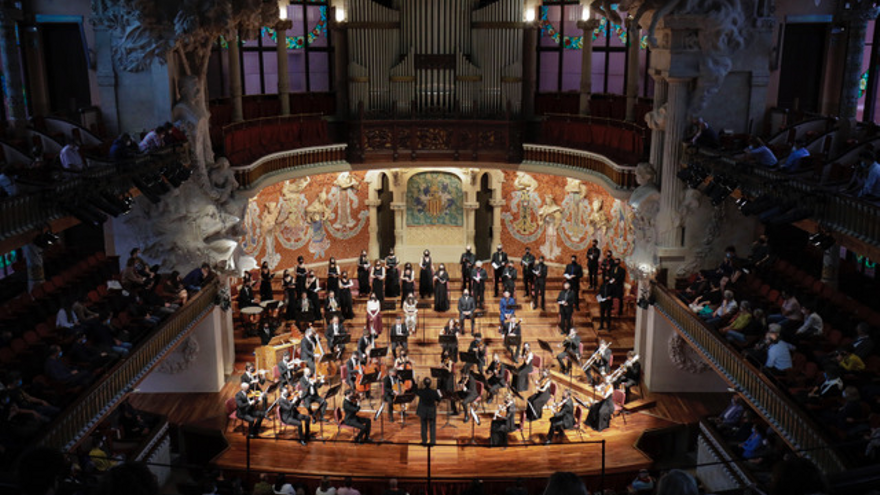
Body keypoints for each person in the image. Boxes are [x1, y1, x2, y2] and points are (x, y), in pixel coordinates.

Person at [415, 377, 442, 445]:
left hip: (423, 411)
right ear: (430, 384)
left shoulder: (421, 391)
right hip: (431, 411)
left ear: (424, 383)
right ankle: (432, 442)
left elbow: (415, 390)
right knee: (432, 426)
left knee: (423, 426)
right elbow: (439, 399)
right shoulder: (434, 392)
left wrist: (416, 382)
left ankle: (424, 441)